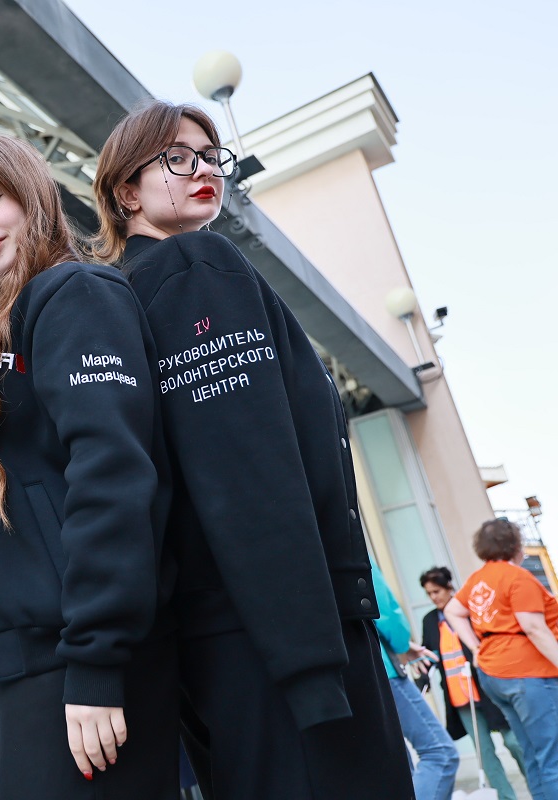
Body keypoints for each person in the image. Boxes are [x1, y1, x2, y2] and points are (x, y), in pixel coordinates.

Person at [92, 99, 413, 799]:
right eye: (178, 158)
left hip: (220, 642)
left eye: (212, 157)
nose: (203, 169)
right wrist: (309, 666)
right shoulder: (195, 265)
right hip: (286, 642)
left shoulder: (122, 298)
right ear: (126, 192)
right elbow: (248, 472)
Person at [0, 129, 178, 799]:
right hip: (33, 669)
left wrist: (95, 664)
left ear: (31, 195)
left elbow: (113, 476)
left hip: (81, 666)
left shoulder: (76, 294)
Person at [446, 519, 558, 799]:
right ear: (515, 545)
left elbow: (452, 611)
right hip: (528, 673)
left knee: (532, 753)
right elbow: (534, 628)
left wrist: (476, 648)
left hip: (495, 673)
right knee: (552, 756)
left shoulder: (478, 579)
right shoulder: (517, 577)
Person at [421, 565, 526, 799]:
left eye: (437, 591)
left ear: (449, 588)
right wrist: (422, 680)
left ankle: (538, 787)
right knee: (485, 753)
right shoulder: (430, 620)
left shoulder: (467, 612)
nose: (433, 597)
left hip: (488, 689)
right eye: (429, 593)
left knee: (513, 741)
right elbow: (429, 654)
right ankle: (506, 797)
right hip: (460, 698)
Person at [371, 565, 459, 799]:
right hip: (380, 670)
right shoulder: (346, 543)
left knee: (397, 767)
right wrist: (401, 643)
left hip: (343, 679)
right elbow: (383, 608)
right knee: (441, 754)